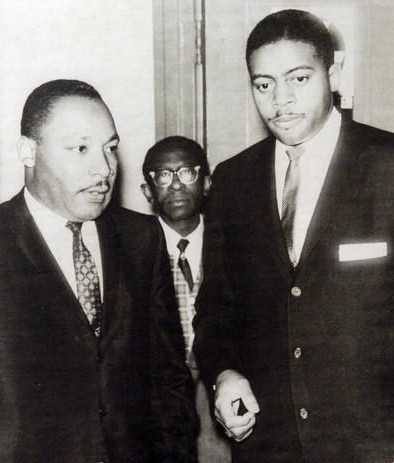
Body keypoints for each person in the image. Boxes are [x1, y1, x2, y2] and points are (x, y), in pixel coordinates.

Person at [0, 79, 197, 462]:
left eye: (110, 149)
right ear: (29, 151)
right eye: (80, 148)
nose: (103, 169)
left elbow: (168, 380)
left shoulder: (142, 238)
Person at [193, 9, 394, 462]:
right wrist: (224, 373)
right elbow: (216, 306)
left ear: (334, 72)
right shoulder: (233, 180)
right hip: (268, 445)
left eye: (299, 79)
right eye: (263, 84)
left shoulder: (387, 166)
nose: (280, 100)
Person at [141, 136, 229, 462]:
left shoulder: (233, 242)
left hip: (220, 390)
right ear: (147, 191)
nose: (176, 185)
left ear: (207, 183)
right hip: (158, 405)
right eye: (162, 176)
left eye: (187, 173)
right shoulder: (131, 251)